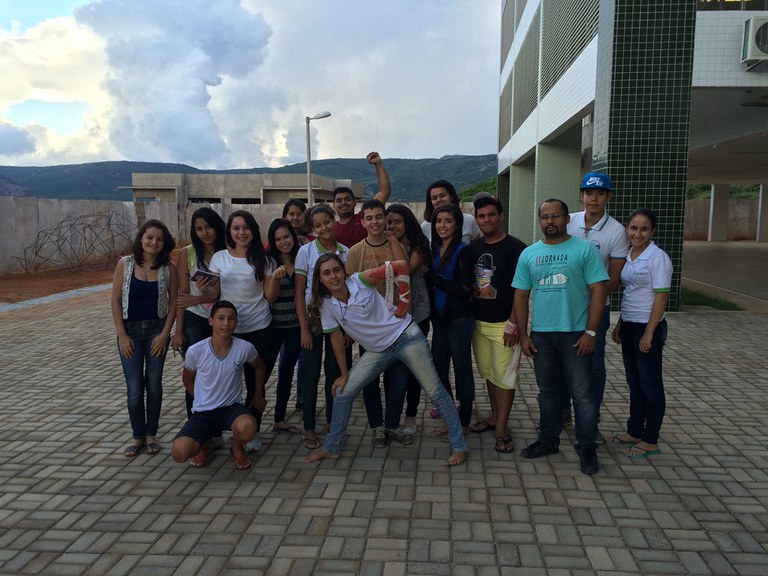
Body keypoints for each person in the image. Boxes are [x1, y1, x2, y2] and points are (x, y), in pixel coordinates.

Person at [304, 254, 469, 467]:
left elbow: (400, 265)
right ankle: (332, 448)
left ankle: (459, 446)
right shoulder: (326, 304)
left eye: (336, 270)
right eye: (326, 273)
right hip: (378, 350)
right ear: (320, 279)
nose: (333, 276)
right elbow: (336, 339)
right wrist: (344, 375)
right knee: (342, 393)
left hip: (406, 338)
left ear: (344, 271)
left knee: (435, 391)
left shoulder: (360, 281)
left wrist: (404, 303)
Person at [512, 199, 608, 475]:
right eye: (545, 217)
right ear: (540, 221)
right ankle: (548, 440)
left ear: (567, 219)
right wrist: (523, 335)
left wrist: (591, 331)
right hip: (542, 335)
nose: (550, 221)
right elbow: (520, 295)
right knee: (548, 393)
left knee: (582, 395)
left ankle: (587, 447)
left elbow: (599, 290)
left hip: (576, 334)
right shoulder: (529, 254)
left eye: (555, 216)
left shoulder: (584, 250)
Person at [203, 210, 278, 453]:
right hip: (228, 330)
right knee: (223, 382)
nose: (241, 232)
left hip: (259, 327)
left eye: (246, 227)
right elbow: (214, 295)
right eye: (236, 228)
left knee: (256, 382)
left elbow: (270, 297)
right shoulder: (219, 258)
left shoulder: (265, 259)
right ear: (229, 232)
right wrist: (204, 287)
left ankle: (251, 432)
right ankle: (216, 431)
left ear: (253, 230)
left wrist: (275, 279)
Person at [562, 172, 630, 442]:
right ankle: (563, 411)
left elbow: (614, 277)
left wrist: (592, 300)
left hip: (596, 310)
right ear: (581, 195)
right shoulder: (569, 221)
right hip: (565, 308)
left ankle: (591, 418)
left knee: (593, 365)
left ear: (608, 197)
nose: (594, 199)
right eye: (589, 193)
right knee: (563, 359)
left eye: (600, 193)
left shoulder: (617, 231)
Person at [345, 199, 411, 447]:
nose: (374, 222)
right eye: (369, 218)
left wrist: (393, 241)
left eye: (379, 217)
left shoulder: (397, 245)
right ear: (362, 222)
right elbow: (350, 292)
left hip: (396, 324)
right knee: (370, 380)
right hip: (370, 328)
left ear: (385, 219)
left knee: (400, 379)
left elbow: (404, 272)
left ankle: (392, 424)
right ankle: (376, 427)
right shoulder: (355, 252)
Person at [465, 193, 527, 454]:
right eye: (481, 216)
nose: (487, 219)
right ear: (476, 219)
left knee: (505, 378)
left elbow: (521, 290)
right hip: (479, 324)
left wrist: (514, 323)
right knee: (490, 373)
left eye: (491, 214)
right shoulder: (474, 248)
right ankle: (493, 416)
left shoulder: (516, 248)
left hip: (504, 324)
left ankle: (502, 427)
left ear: (500, 216)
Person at [171, 301, 265, 470]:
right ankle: (205, 443)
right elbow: (187, 379)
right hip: (203, 412)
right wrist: (200, 398)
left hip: (231, 408)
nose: (226, 323)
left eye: (231, 319)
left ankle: (236, 446)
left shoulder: (244, 347)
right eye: (221, 318)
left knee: (248, 427)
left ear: (236, 322)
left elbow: (259, 367)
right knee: (179, 452)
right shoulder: (196, 350)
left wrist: (258, 395)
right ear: (211, 321)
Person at [110, 219, 177, 457]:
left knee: (154, 385)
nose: (154, 242)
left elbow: (173, 303)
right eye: (149, 237)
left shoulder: (169, 268)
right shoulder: (125, 264)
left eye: (159, 239)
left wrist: (165, 334)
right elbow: (115, 300)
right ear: (141, 239)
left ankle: (151, 435)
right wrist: (122, 335)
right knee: (135, 388)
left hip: (156, 332)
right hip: (130, 332)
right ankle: (137, 436)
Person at [611, 208, 672, 458]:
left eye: (644, 229)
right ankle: (634, 430)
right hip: (629, 324)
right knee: (634, 383)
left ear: (652, 231)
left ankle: (650, 439)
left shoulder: (658, 258)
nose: (638, 234)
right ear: (627, 229)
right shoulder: (629, 255)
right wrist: (620, 323)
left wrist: (649, 333)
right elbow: (631, 293)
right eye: (633, 228)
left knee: (651, 385)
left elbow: (661, 297)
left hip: (648, 327)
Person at [295, 204, 352, 450]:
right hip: (314, 320)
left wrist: (349, 329)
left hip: (340, 320)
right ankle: (308, 426)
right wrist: (303, 328)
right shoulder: (305, 252)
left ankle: (332, 420)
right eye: (317, 225)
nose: (324, 228)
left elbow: (350, 291)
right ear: (312, 228)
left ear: (334, 220)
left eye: (327, 222)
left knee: (335, 371)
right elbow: (299, 292)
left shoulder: (346, 252)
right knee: (311, 374)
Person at [171, 207, 227, 420]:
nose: (205, 233)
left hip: (221, 320)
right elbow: (182, 295)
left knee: (219, 373)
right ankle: (195, 423)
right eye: (199, 228)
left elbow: (225, 292)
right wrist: (178, 331)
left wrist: (199, 298)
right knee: (196, 374)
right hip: (194, 320)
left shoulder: (228, 251)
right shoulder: (188, 253)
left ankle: (216, 424)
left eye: (209, 227)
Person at [426, 203, 475, 438]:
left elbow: (465, 289)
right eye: (438, 221)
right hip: (440, 319)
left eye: (448, 221)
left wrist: (435, 279)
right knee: (439, 369)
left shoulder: (463, 251)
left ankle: (464, 422)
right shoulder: (435, 248)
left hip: (459, 319)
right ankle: (449, 417)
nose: (442, 225)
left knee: (462, 371)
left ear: (457, 225)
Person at [385, 204, 432, 436]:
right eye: (389, 222)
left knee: (414, 368)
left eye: (397, 222)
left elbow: (403, 270)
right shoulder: (385, 244)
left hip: (418, 314)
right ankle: (390, 416)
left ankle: (411, 415)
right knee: (389, 367)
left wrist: (393, 242)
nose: (392, 226)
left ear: (407, 223)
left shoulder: (419, 246)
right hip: (392, 316)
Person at [264, 218, 303, 434]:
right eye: (278, 239)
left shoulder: (302, 258)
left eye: (286, 237)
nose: (283, 242)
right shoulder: (269, 262)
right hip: (274, 327)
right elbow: (269, 297)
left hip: (296, 327)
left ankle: (279, 418)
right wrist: (275, 280)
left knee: (287, 372)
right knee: (263, 372)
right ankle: (253, 417)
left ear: (293, 237)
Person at [332, 151, 391, 248]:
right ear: (333, 205)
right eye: (339, 201)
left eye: (347, 199)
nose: (343, 203)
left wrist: (378, 164)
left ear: (355, 202)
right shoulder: (330, 230)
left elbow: (384, 192)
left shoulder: (366, 219)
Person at [421, 180, 480, 245]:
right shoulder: (425, 226)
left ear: (451, 197)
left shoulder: (469, 220)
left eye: (443, 196)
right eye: (434, 198)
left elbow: (477, 246)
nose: (439, 200)